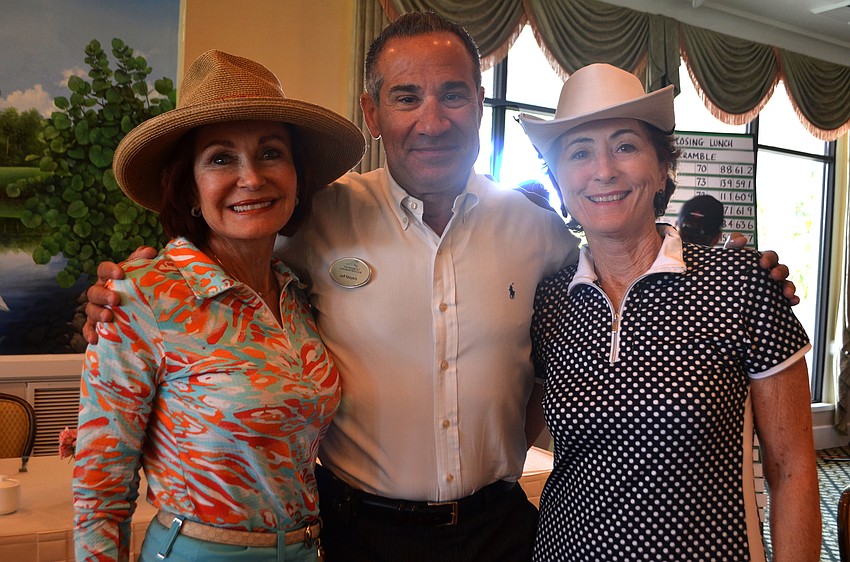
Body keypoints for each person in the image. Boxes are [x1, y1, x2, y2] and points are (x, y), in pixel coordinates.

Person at [82, 13, 798, 562]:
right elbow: (226, 250)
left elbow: (614, 261)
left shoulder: (541, 236)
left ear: (479, 102)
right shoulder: (315, 220)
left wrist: (743, 270)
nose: (433, 119)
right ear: (373, 114)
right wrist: (125, 288)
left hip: (500, 529)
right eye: (406, 97)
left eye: (454, 94)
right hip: (356, 533)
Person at [72, 50, 365, 562]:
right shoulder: (142, 295)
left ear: (298, 175)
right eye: (221, 158)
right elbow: (100, 494)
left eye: (271, 152)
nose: (251, 178)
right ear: (190, 187)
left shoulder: (297, 292)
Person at [520, 63, 821, 561]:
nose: (604, 170)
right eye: (579, 152)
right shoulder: (550, 300)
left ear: (663, 168)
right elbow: (511, 431)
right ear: (559, 182)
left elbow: (792, 469)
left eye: (625, 145)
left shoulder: (741, 283)